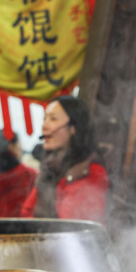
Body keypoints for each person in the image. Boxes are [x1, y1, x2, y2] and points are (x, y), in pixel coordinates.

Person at [21, 95, 109, 223]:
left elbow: (73, 229)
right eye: (44, 119)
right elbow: (26, 213)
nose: (44, 126)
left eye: (53, 119)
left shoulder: (90, 172)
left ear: (73, 128)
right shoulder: (51, 167)